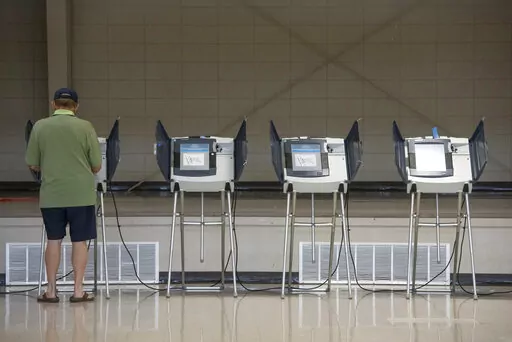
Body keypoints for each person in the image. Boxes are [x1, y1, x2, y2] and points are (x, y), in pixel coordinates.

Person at [25, 88, 102, 303]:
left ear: (53, 104)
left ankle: (51, 291)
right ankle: (78, 291)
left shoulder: (40, 126)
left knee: (53, 240)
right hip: (81, 195)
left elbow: (32, 162)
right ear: (76, 106)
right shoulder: (85, 127)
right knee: (79, 241)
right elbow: (96, 165)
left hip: (52, 195)